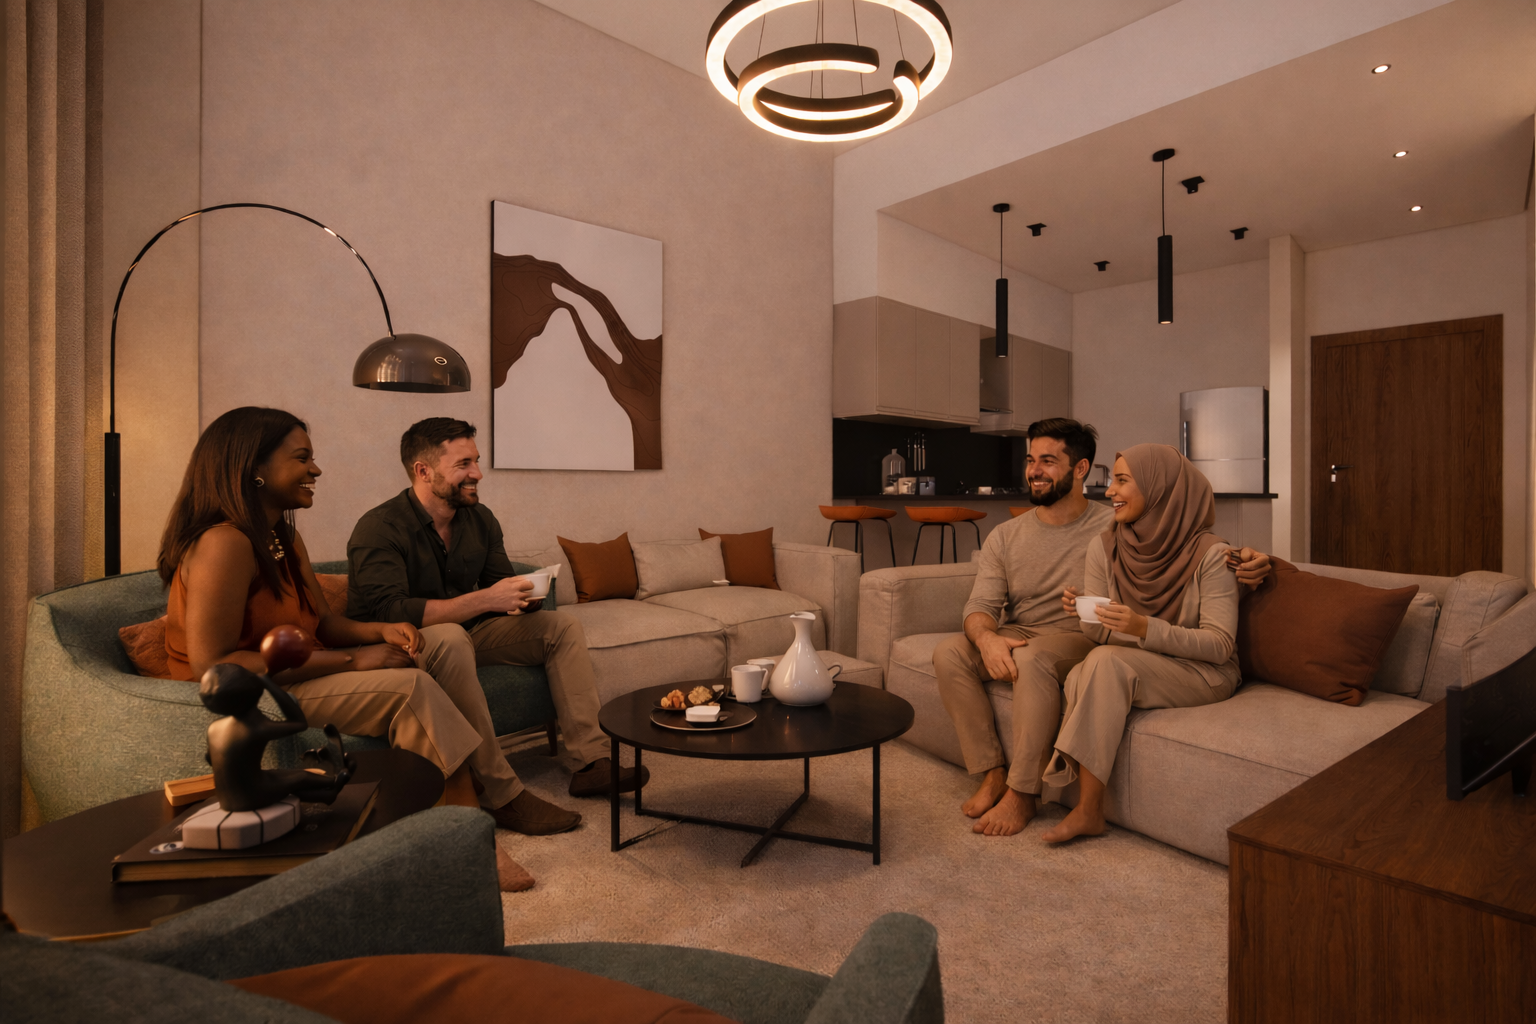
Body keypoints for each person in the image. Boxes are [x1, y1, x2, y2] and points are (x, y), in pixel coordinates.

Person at [160, 406, 543, 890]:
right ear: (253, 468)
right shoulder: (224, 543)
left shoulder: (282, 539)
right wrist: (351, 659)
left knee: (436, 647)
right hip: (252, 695)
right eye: (302, 458)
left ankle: (491, 794)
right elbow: (213, 666)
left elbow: (324, 622)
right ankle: (467, 838)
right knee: (410, 689)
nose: (316, 469)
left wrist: (377, 632)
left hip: (299, 672)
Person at [932, 419, 1270, 838]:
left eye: (1048, 461)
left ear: (1080, 469)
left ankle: (1025, 792)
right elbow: (981, 605)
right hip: (1067, 633)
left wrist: (1255, 562)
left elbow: (1187, 544)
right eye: (1030, 461)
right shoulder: (1026, 536)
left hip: (1078, 640)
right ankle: (992, 773)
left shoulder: (1114, 524)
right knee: (950, 651)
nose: (1034, 471)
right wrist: (987, 638)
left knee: (1038, 657)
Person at [345, 417, 644, 813]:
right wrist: (486, 600)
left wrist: (525, 597)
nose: (477, 474)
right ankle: (498, 788)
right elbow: (391, 612)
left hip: (465, 636)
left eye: (477, 461)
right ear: (423, 471)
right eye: (464, 464)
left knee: (561, 626)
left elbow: (499, 583)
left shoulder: (479, 519)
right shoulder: (378, 528)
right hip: (398, 645)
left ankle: (591, 761)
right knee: (451, 636)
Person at [1042, 443, 1243, 843]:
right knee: (1089, 666)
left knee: (1101, 665)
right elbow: (1099, 638)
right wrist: (1087, 615)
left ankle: (1088, 809)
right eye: (1112, 481)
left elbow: (1220, 645)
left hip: (1205, 673)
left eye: (1121, 481)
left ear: (1161, 489)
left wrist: (1143, 627)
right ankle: (1083, 803)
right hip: (1139, 660)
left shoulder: (1212, 554)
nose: (1109, 492)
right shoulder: (1104, 546)